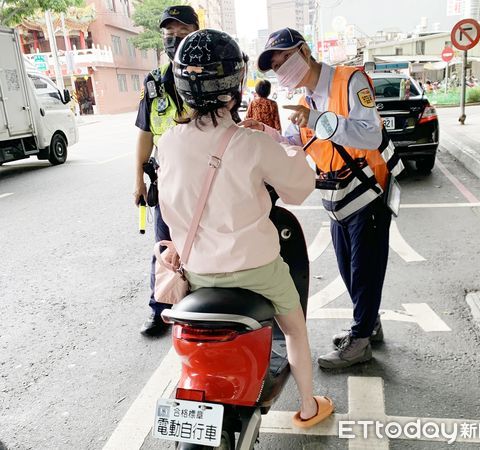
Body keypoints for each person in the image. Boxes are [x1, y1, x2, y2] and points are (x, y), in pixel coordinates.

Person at [157, 29, 334, 428]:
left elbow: (168, 206)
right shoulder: (251, 142)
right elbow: (301, 187)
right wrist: (274, 139)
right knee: (294, 330)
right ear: (236, 85)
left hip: (198, 273)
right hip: (259, 271)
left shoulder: (167, 142)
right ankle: (307, 407)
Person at [243, 27, 404, 369]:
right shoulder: (302, 102)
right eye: (275, 64)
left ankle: (360, 340)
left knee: (364, 270)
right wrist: (265, 133)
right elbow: (295, 142)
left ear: (304, 51)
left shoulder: (350, 81)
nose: (281, 67)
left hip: (366, 192)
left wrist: (319, 120)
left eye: (284, 58)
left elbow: (370, 134)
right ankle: (368, 323)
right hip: (335, 198)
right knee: (348, 270)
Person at [133, 5, 199, 337]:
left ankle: (200, 305)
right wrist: (138, 182)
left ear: (196, 34)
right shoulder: (155, 81)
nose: (173, 40)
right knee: (164, 246)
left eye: (181, 34)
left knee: (204, 244)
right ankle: (160, 309)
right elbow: (145, 132)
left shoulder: (211, 71)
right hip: (166, 180)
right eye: (168, 35)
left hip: (205, 179)